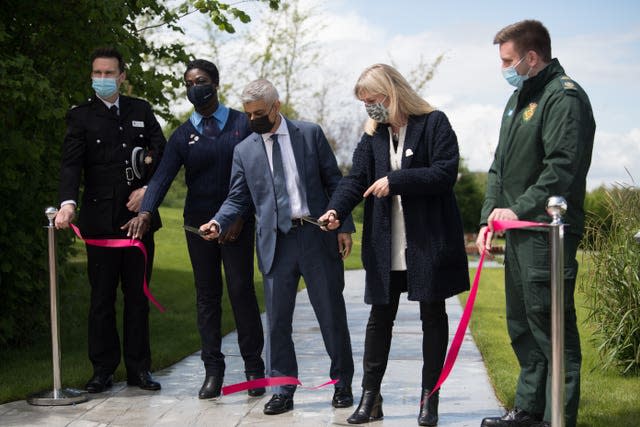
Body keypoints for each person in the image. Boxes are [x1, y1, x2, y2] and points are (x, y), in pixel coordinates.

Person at [319, 63, 470, 426]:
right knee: (379, 318)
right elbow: (355, 178)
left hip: (427, 241)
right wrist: (336, 210)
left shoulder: (434, 123)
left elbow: (445, 173)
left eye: (372, 100)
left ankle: (428, 400)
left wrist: (395, 180)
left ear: (392, 92)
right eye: (365, 102)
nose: (369, 107)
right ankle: (371, 399)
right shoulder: (373, 134)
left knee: (432, 318)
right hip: (385, 243)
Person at [199, 78, 355, 415]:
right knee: (277, 322)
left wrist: (345, 224)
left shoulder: (309, 134)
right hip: (275, 243)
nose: (253, 119)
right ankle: (282, 389)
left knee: (330, 315)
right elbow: (237, 197)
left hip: (315, 235)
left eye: (259, 113)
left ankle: (342, 383)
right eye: (247, 114)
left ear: (276, 106)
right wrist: (218, 222)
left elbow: (335, 182)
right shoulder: (244, 150)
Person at [122, 59, 266, 400]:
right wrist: (145, 211)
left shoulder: (241, 125)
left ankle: (254, 369)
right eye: (188, 83)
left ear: (215, 83)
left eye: (199, 81)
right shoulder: (184, 135)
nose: (193, 88)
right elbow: (161, 178)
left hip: (237, 227)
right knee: (207, 298)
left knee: (242, 291)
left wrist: (241, 215)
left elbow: (257, 177)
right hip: (198, 228)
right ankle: (213, 371)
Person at [476, 20, 595, 427]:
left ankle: (557, 417)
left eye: (508, 61)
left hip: (548, 233)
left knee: (550, 325)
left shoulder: (564, 98)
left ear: (531, 56)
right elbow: (498, 168)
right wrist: (489, 218)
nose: (503, 69)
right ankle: (529, 411)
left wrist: (519, 210)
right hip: (518, 230)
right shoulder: (517, 100)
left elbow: (561, 167)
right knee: (522, 325)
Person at [54, 47, 166, 392]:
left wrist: (148, 190)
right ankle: (102, 370)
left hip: (139, 222)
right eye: (97, 73)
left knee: (137, 297)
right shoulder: (81, 116)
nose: (101, 79)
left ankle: (139, 370)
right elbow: (71, 165)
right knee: (101, 299)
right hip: (101, 223)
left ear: (122, 76)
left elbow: (163, 154)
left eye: (108, 73)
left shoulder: (141, 110)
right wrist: (68, 203)